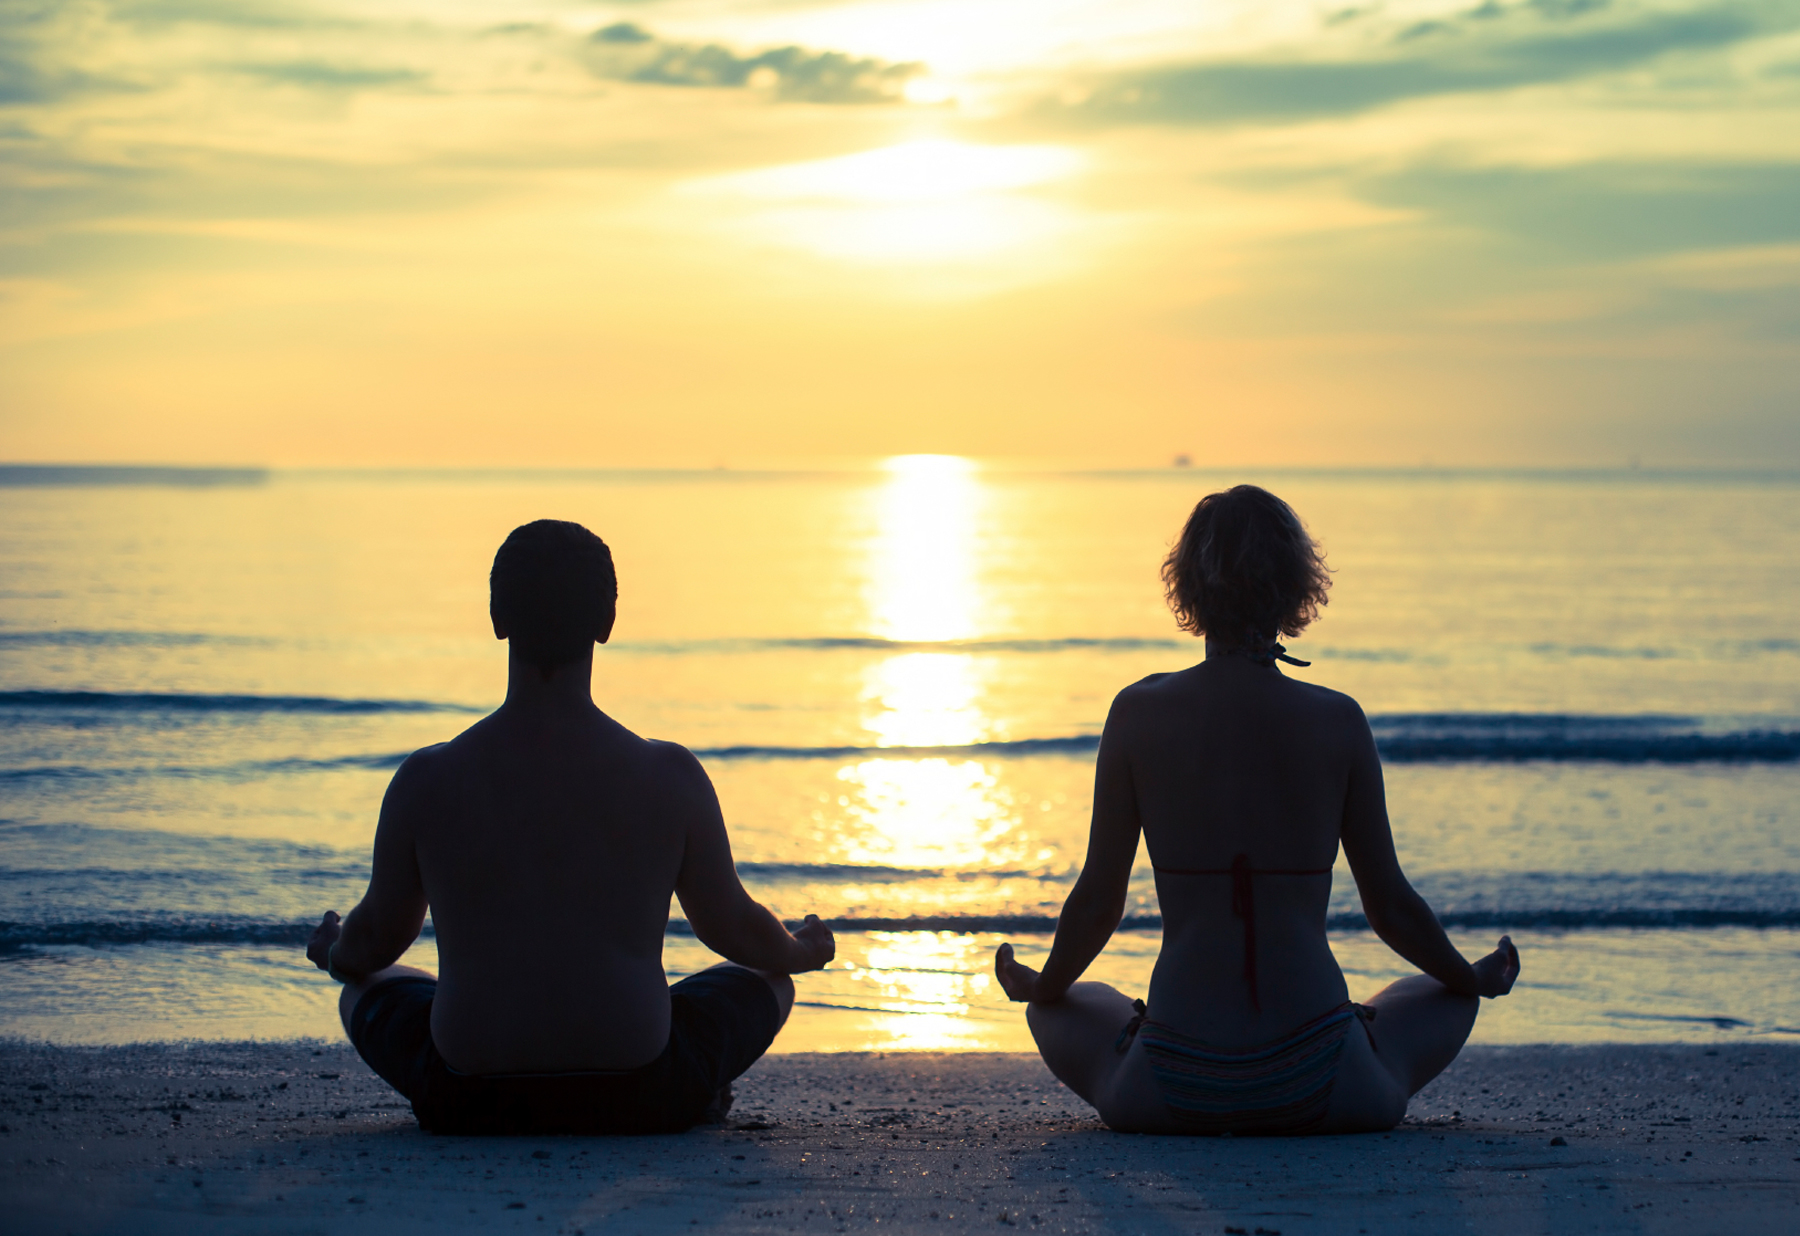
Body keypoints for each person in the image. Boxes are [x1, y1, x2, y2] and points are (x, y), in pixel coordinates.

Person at [994, 485, 1518, 1135]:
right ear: (1298, 585)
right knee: (1448, 995)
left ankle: (1139, 1046)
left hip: (1170, 1081)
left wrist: (1044, 985)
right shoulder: (1338, 719)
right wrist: (1468, 975)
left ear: (1187, 585)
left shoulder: (1137, 713)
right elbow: (1390, 906)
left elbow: (1100, 900)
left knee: (1067, 1005)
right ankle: (1355, 1035)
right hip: (1328, 1079)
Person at [306, 519, 834, 1135]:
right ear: (606, 624)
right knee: (766, 982)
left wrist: (334, 951)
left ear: (498, 618)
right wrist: (801, 950)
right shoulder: (667, 774)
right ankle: (698, 1094)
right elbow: (736, 929)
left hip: (469, 1097)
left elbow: (373, 944)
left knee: (365, 988)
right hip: (639, 1092)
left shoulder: (428, 778)